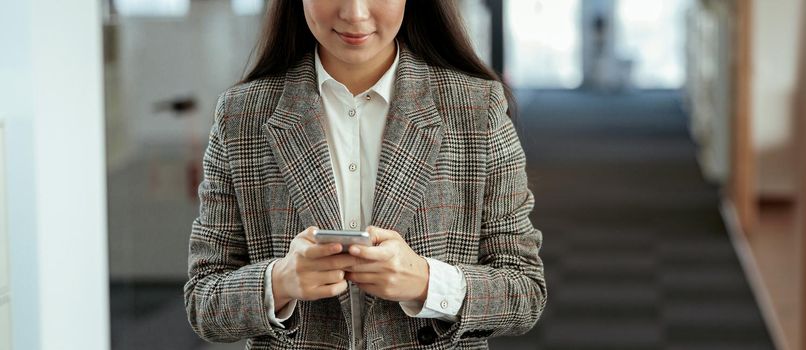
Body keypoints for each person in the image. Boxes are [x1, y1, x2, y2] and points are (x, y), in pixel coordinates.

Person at [184, 1, 546, 349]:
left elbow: (526, 291)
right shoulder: (242, 115)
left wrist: (426, 282)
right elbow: (203, 299)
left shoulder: (477, 107)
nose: (355, 13)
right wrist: (279, 282)